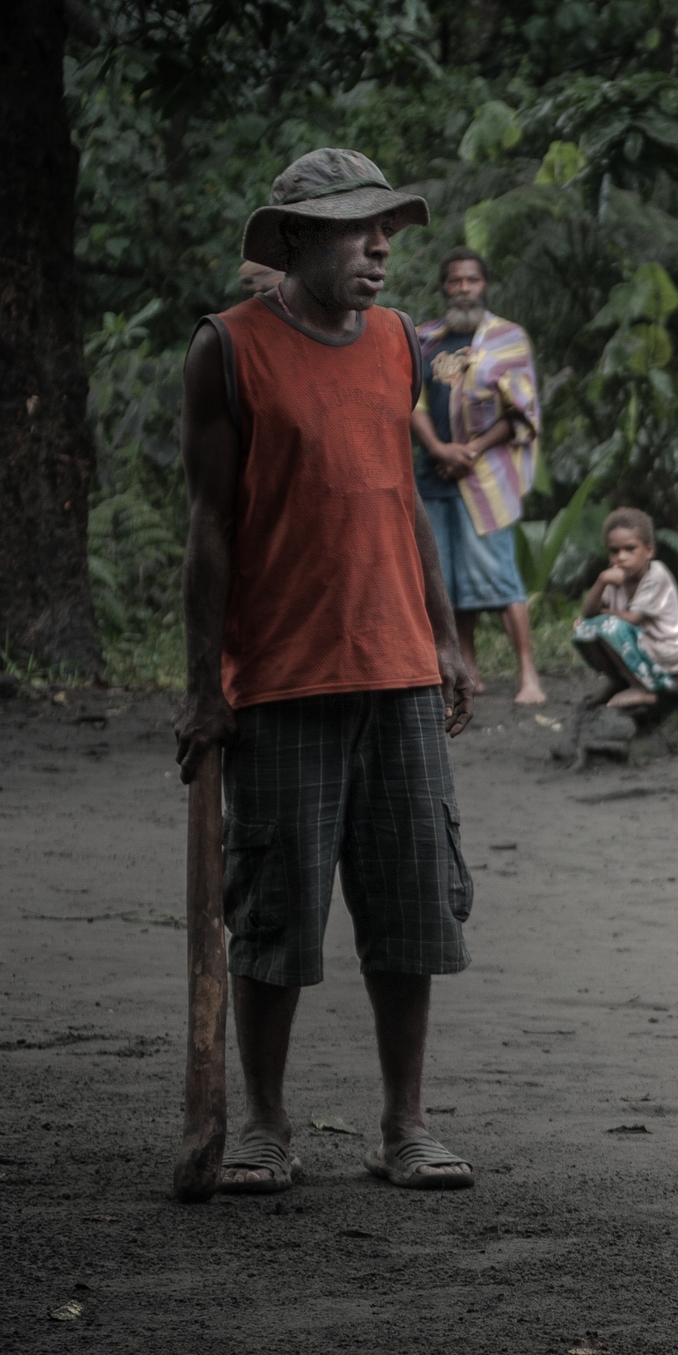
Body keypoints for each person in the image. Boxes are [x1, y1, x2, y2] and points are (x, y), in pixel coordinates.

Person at [173, 147, 480, 1194]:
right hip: (282, 673)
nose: (381, 246)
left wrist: (444, 636)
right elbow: (211, 528)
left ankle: (406, 1124)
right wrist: (202, 686)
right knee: (275, 913)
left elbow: (401, 494)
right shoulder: (227, 350)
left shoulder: (398, 341)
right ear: (296, 240)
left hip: (395, 663)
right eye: (357, 228)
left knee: (409, 905)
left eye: (388, 226)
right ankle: (263, 1123)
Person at [410, 247, 546, 705]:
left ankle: (529, 676)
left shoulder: (509, 338)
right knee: (446, 583)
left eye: (471, 280)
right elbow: (411, 402)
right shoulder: (424, 339)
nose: (463, 289)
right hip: (434, 474)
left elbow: (521, 409)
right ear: (444, 287)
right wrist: (437, 448)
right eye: (454, 281)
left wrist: (470, 449)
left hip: (485, 477)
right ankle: (468, 672)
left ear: (484, 285)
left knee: (500, 576)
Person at [573, 509, 678, 709]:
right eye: (614, 551)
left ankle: (645, 690)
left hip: (662, 653)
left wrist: (602, 615)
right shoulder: (614, 577)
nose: (621, 557)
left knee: (608, 627)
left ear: (649, 550)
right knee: (583, 629)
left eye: (630, 548)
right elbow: (588, 613)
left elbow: (633, 618)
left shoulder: (656, 576)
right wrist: (601, 581)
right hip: (638, 647)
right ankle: (618, 681)